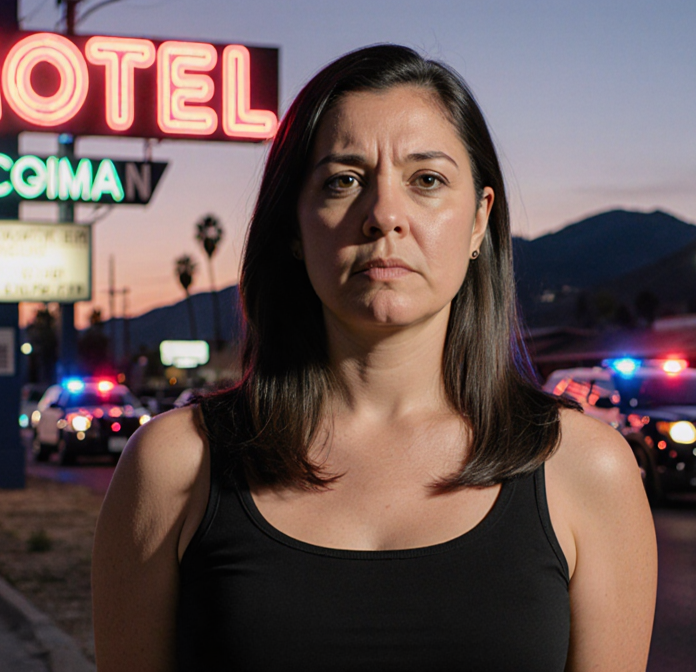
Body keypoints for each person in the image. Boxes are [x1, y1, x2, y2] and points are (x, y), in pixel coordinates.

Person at [93, 45, 657, 671]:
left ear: (478, 222)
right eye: (343, 180)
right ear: (293, 228)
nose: (385, 215)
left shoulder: (588, 470)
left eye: (427, 180)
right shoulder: (175, 466)